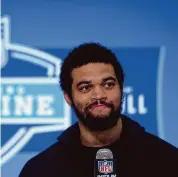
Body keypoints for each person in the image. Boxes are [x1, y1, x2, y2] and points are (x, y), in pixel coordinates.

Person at [19, 43, 178, 177]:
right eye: (85, 87)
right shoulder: (41, 170)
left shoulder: (167, 160)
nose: (99, 95)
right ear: (68, 97)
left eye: (108, 84)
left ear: (121, 89)